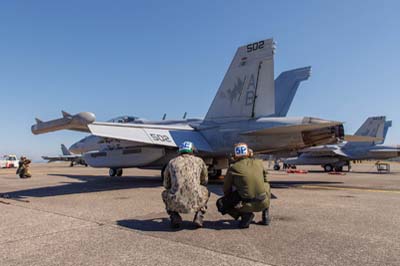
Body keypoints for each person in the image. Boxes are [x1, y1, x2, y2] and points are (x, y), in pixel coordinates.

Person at [217, 143, 271, 229]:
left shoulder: (233, 167)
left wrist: (231, 199)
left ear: (235, 155)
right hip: (263, 202)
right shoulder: (259, 163)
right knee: (266, 186)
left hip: (246, 205)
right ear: (249, 152)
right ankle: (266, 215)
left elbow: (226, 188)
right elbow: (266, 180)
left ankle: (245, 216)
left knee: (221, 203)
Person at [162, 141, 209, 228]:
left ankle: (174, 216)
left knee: (164, 193)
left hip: (176, 200)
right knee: (205, 191)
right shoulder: (199, 161)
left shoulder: (172, 162)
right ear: (192, 150)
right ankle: (199, 215)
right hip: (196, 199)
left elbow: (166, 184)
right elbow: (205, 180)